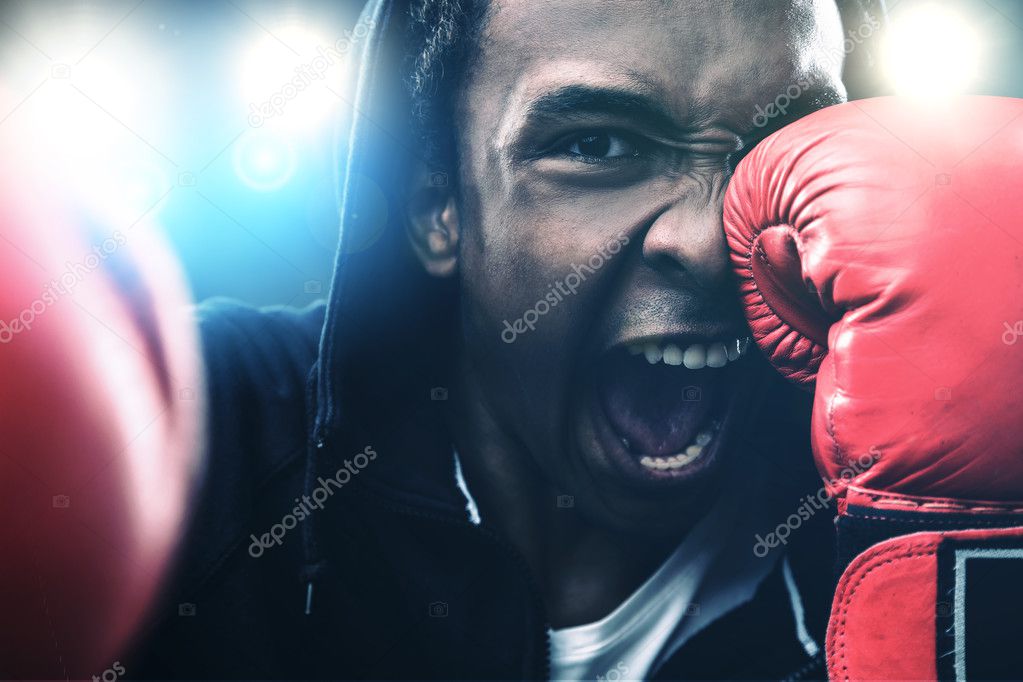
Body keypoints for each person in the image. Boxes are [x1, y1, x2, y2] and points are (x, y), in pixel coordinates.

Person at [114, 1, 895, 679]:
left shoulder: (915, 506)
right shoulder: (199, 433)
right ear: (436, 205)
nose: (705, 242)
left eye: (779, 149)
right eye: (598, 146)